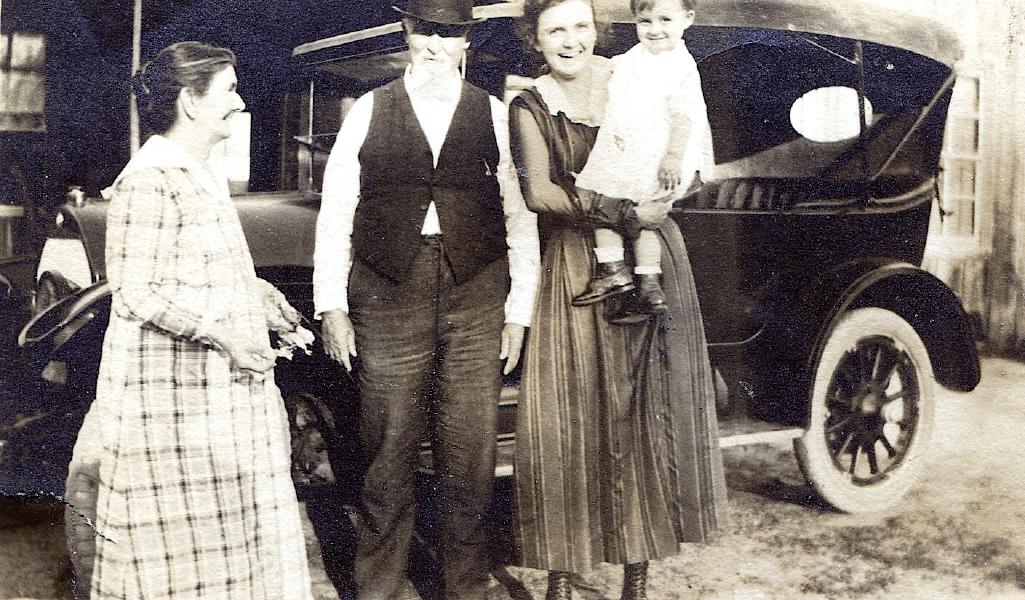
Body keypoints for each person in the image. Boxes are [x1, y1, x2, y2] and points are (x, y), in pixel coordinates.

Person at [313, 0, 540, 598]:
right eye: (426, 33)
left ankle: (465, 586)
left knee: (469, 450)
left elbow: (520, 219)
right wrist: (331, 304)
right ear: (407, 32)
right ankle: (380, 587)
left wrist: (518, 312)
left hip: (477, 292)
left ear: (466, 41)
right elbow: (337, 212)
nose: (436, 46)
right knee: (387, 446)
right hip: (387, 291)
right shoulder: (370, 110)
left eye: (450, 34)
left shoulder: (494, 115)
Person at [78, 41, 314, 599]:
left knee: (222, 545)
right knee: (179, 552)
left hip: (211, 395)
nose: (239, 102)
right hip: (173, 402)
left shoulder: (195, 171)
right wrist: (224, 332)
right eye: (229, 90)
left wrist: (259, 296)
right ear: (189, 100)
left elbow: (198, 268)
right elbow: (136, 291)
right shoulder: (151, 177)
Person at [509, 1, 729, 599]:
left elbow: (690, 147)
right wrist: (624, 211)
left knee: (646, 407)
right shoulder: (530, 105)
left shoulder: (638, 71)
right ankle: (561, 574)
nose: (571, 40)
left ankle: (638, 573)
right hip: (578, 262)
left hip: (651, 257)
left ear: (597, 30)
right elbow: (540, 193)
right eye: (555, 30)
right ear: (536, 39)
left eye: (581, 26)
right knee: (568, 413)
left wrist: (669, 189)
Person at [571, 0, 713, 316]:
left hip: (656, 157)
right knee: (629, 216)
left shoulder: (680, 66)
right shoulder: (638, 56)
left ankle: (618, 271)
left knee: (608, 206)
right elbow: (620, 73)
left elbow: (684, 116)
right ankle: (646, 282)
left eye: (665, 20)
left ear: (687, 19)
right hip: (631, 149)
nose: (655, 29)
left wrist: (672, 157)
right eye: (645, 21)